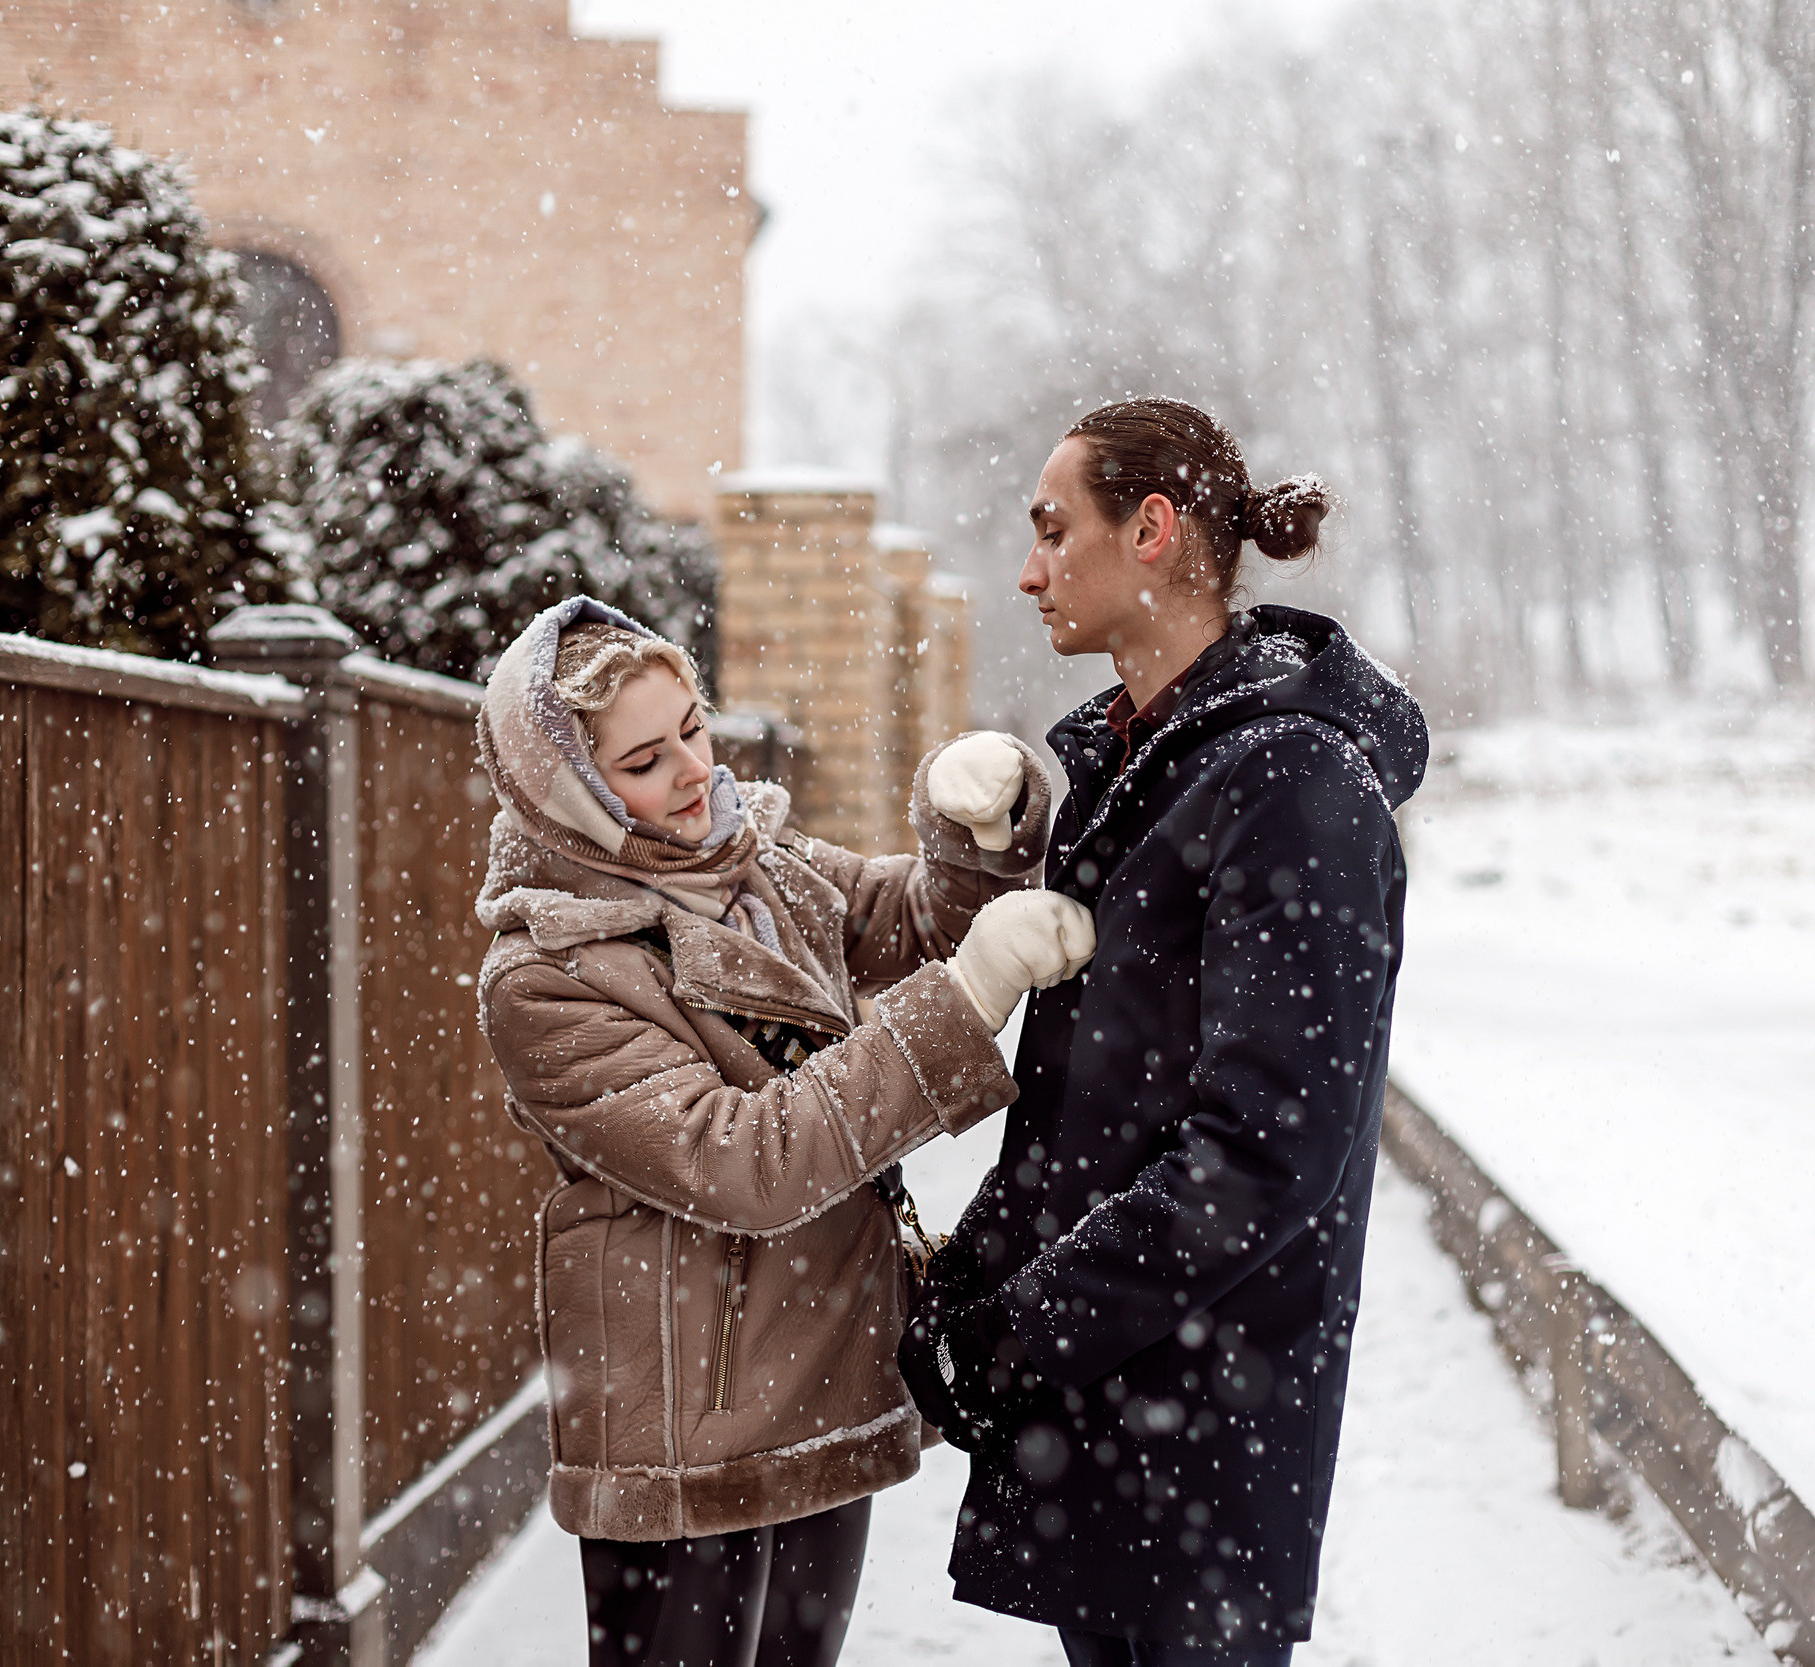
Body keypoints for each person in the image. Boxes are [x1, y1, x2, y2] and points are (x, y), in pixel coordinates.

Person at [899, 399, 1429, 1667]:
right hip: (1109, 1409)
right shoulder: (1136, 770)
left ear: (1150, 530)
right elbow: (1081, 1109)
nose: (1025, 571)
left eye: (1049, 530)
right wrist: (964, 1287)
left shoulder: (1290, 784)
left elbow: (1262, 1147)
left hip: (1206, 1424)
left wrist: (1023, 1327)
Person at [472, 596, 1096, 1667]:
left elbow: (904, 919)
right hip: (684, 1434)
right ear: (567, 790)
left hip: (814, 1378)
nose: (688, 771)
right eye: (641, 759)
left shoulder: (749, 861)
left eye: (690, 729)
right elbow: (745, 1159)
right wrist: (973, 988)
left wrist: (977, 833)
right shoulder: (547, 977)